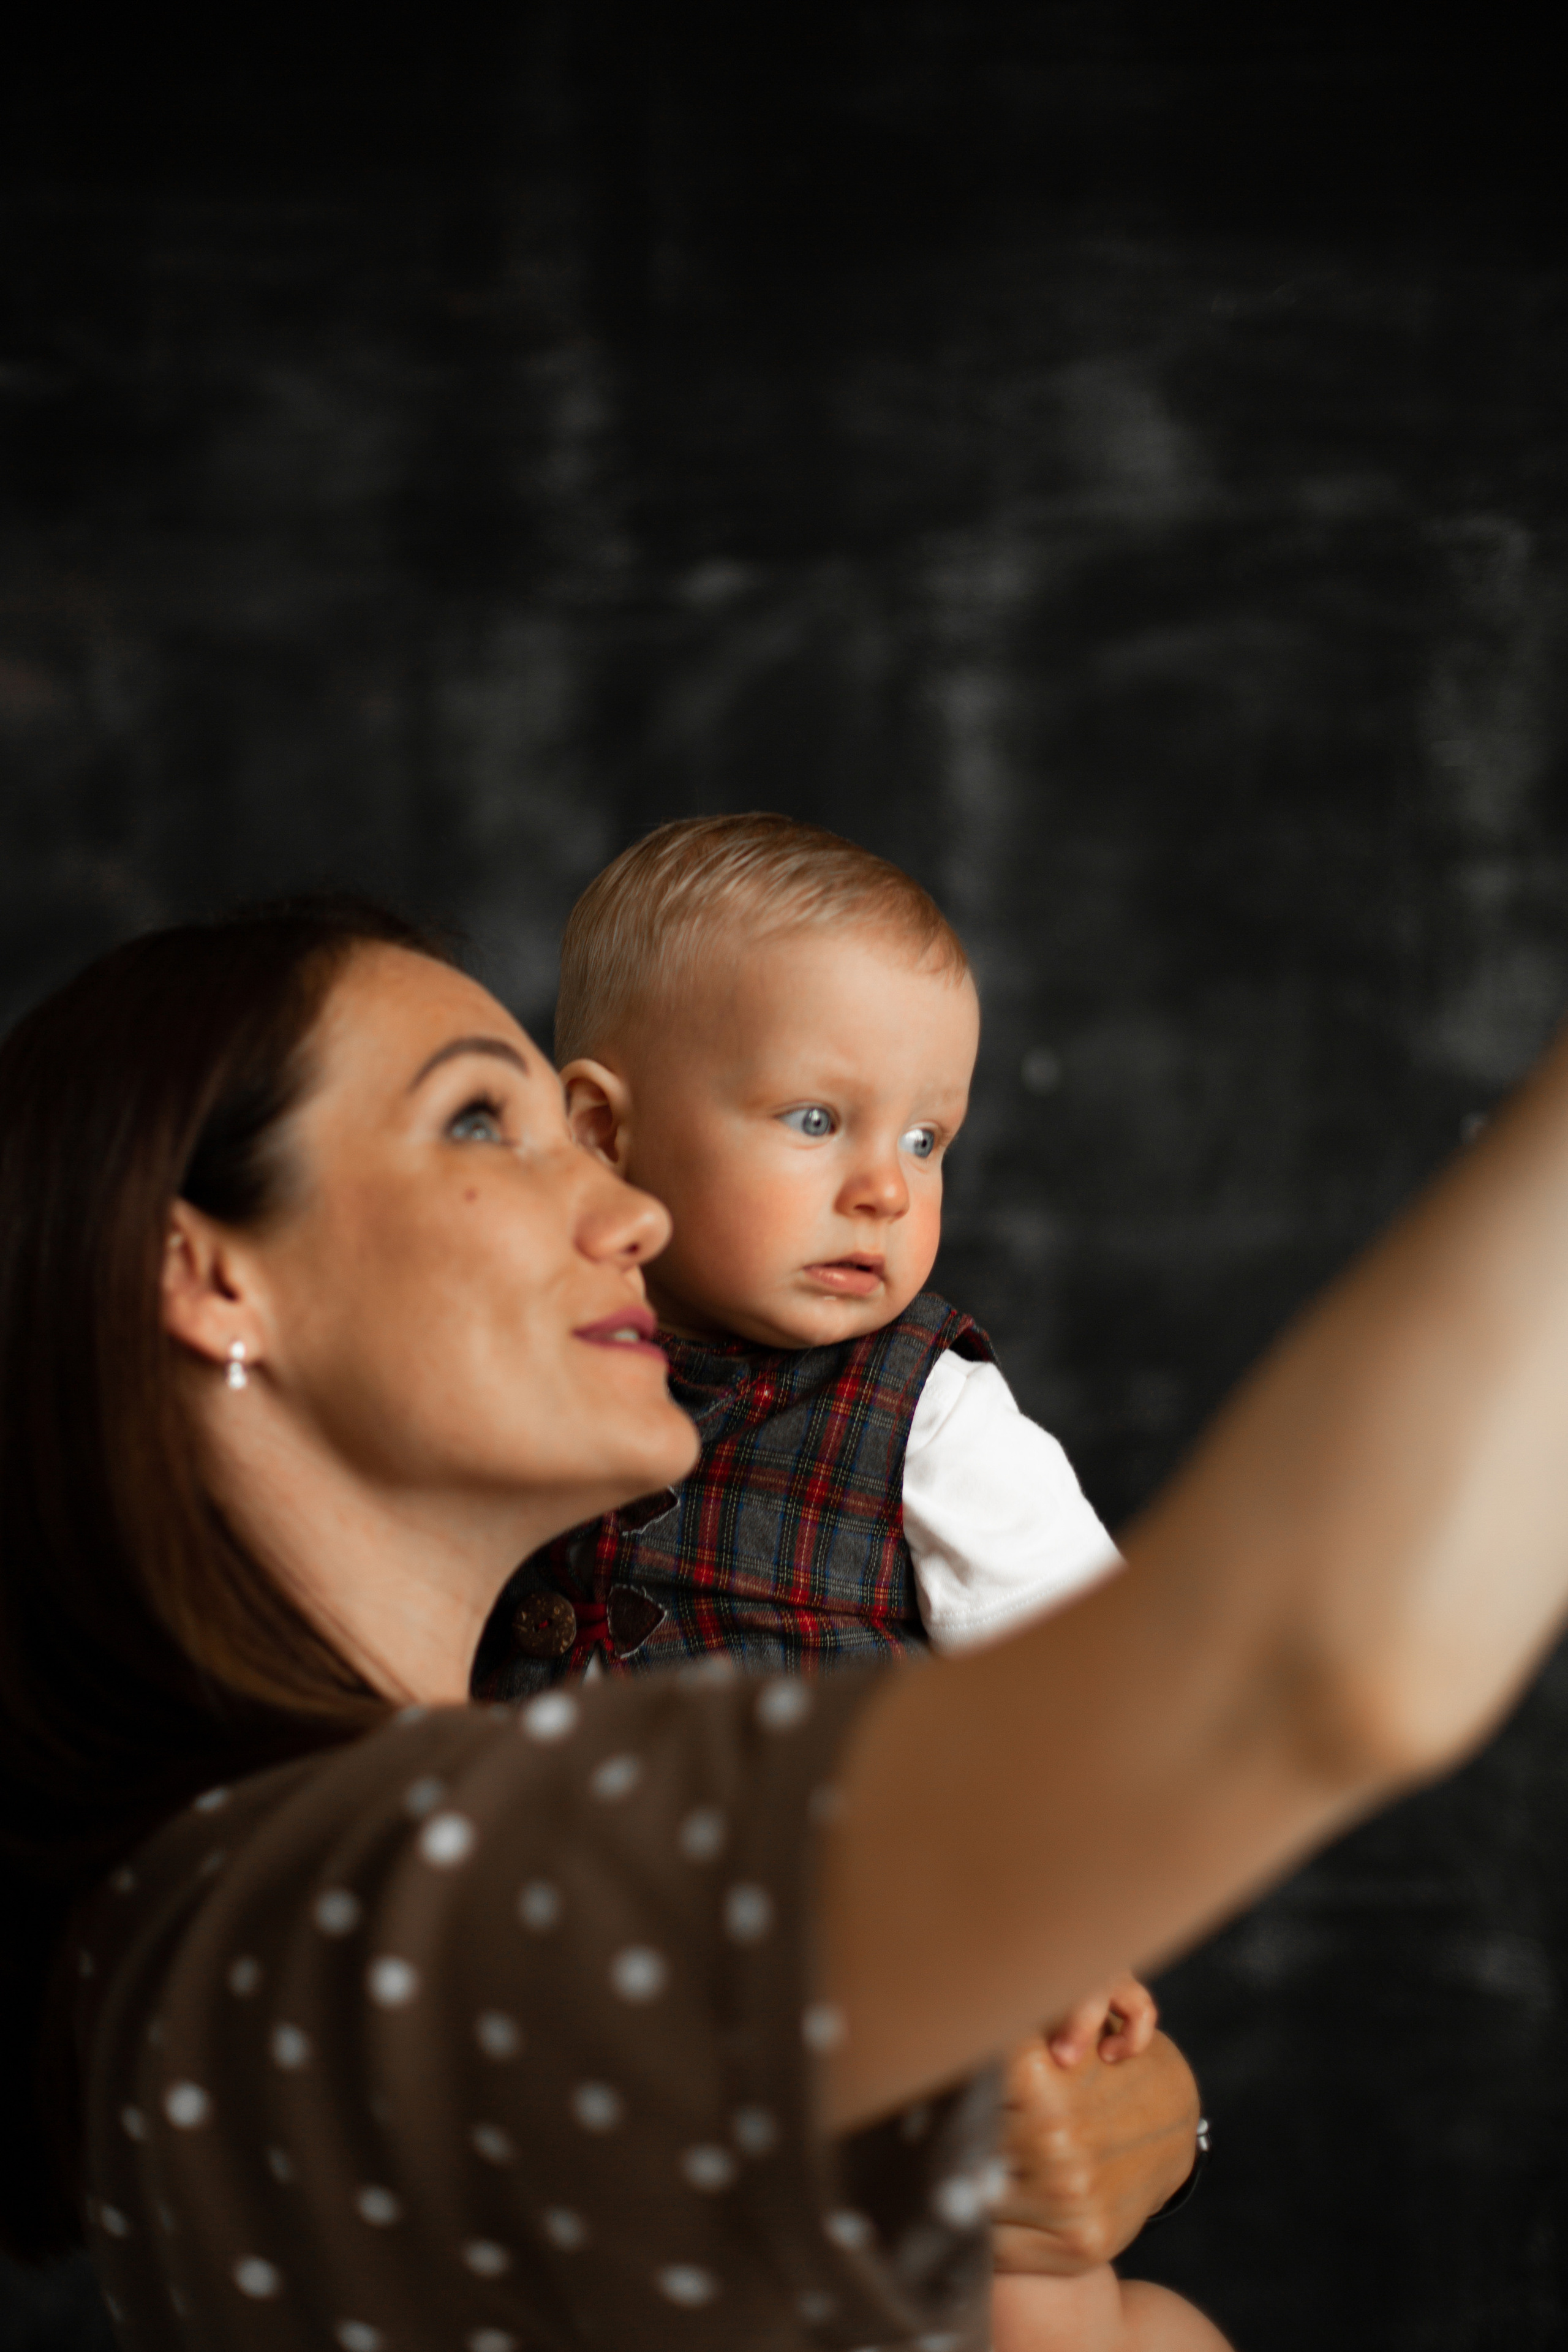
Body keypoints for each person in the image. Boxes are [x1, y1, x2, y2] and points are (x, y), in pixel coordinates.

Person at [6, 901, 1568, 2350]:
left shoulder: (233, 1921)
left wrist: (1106, 2134)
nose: (632, 1211)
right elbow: (1318, 1656)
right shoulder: (366, 1896)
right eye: (479, 1119)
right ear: (210, 1276)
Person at [481, 813, 1221, 2350]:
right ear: (603, 1134)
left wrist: (1073, 1934)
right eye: (817, 1121)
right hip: (592, 2000)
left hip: (894, 1971)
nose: (885, 1188)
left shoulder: (927, 1410)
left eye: (926, 1140)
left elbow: (1099, 1688)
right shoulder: (510, 1366)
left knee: (1015, 2287)